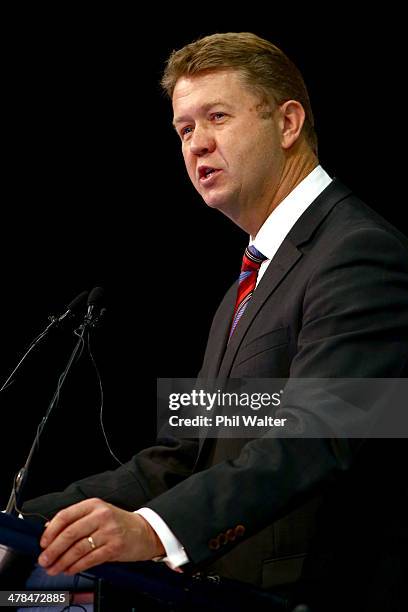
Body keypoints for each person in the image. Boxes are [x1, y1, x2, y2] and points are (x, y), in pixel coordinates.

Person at [21, 33, 408, 611]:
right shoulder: (242, 290)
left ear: (287, 123)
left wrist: (154, 530)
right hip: (218, 592)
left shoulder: (361, 251)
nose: (197, 144)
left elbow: (325, 432)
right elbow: (183, 452)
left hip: (310, 596)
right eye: (183, 129)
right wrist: (30, 524)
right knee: (33, 598)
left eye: (217, 117)